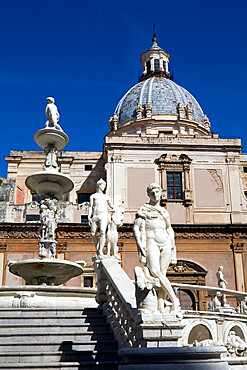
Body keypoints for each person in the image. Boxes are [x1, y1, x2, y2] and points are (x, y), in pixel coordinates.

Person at [133, 183, 180, 314]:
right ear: (148, 195)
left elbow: (169, 228)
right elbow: (136, 227)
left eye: (157, 192)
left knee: (162, 274)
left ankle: (160, 306)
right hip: (151, 241)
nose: (155, 195)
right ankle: (174, 299)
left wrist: (173, 245)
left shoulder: (164, 211)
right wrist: (139, 244)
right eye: (152, 193)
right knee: (154, 271)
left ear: (161, 193)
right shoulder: (144, 209)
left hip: (165, 242)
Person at [88, 179, 114, 255]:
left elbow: (112, 206)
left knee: (103, 232)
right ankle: (98, 248)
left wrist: (118, 209)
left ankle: (100, 250)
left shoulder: (106, 197)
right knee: (93, 233)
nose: (104, 187)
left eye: (105, 186)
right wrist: (89, 217)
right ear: (99, 185)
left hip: (104, 215)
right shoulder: (93, 196)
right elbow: (90, 206)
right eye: (103, 185)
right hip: (95, 215)